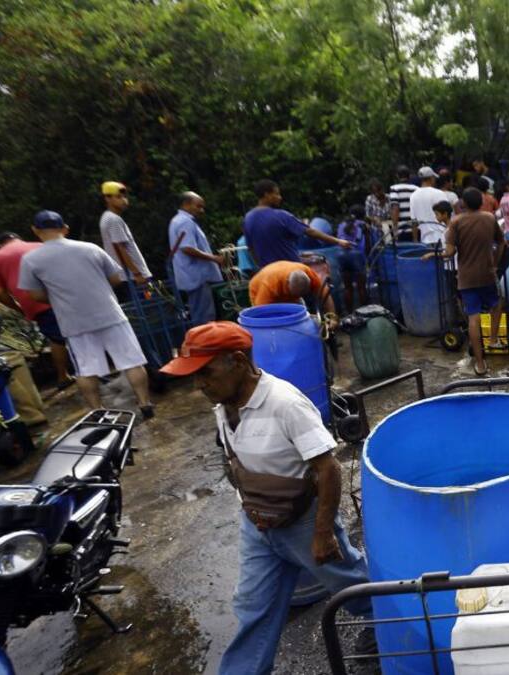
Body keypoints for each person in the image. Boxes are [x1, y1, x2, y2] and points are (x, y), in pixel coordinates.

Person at [158, 322, 371, 675]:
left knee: (349, 585)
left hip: (304, 521)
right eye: (195, 377)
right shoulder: (223, 402)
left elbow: (328, 467)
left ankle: (392, 628)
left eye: (206, 374)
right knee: (253, 608)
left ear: (238, 362)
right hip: (257, 522)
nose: (199, 385)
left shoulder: (285, 403)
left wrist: (322, 532)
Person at [18, 210, 154, 417]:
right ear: (65, 228)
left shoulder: (30, 260)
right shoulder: (90, 248)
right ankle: (145, 404)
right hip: (110, 314)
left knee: (85, 369)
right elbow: (116, 278)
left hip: (74, 322)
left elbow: (35, 295)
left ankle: (98, 412)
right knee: (132, 362)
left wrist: (59, 300)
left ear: (35, 231)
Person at [423, 188, 505, 376]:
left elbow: (450, 253)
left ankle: (480, 364)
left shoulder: (457, 223)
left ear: (463, 205)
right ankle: (493, 339)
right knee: (497, 305)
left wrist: (435, 254)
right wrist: (495, 263)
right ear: (481, 202)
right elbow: (502, 243)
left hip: (467, 278)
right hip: (487, 274)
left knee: (473, 319)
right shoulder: (490, 218)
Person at [0, 232, 73, 388]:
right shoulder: (39, 245)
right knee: (79, 332)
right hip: (61, 295)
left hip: (33, 303)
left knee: (56, 339)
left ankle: (63, 376)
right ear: (18, 239)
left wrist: (18, 308)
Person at [243, 180, 350, 267]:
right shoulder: (281, 216)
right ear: (266, 195)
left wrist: (261, 268)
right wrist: (338, 241)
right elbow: (310, 231)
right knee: (318, 291)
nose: (280, 197)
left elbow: (251, 249)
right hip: (291, 270)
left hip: (267, 273)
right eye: (276, 194)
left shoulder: (248, 219)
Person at [169, 192, 225, 325]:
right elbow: (187, 248)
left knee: (201, 313)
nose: (201, 210)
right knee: (204, 317)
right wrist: (213, 258)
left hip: (192, 275)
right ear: (186, 204)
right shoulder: (185, 222)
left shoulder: (178, 220)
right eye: (198, 206)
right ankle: (207, 344)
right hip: (196, 276)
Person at [248, 261, 337, 329]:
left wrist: (332, 317)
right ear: (287, 283)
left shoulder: (308, 273)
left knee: (299, 317)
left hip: (282, 283)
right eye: (295, 294)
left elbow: (325, 295)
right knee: (276, 322)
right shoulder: (268, 287)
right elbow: (261, 316)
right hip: (259, 289)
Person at [98, 181, 152, 286]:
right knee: (148, 301)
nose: (124, 200)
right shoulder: (113, 219)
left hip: (128, 276)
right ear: (107, 199)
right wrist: (137, 273)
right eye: (118, 197)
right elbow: (119, 247)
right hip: (133, 278)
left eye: (124, 197)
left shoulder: (107, 217)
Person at [336, 205, 369, 311]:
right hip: (357, 255)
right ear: (363, 216)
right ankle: (365, 313)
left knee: (347, 288)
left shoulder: (341, 225)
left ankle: (349, 314)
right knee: (361, 287)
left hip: (342, 255)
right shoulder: (363, 225)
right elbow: (368, 244)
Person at [409, 166, 449, 246]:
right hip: (442, 238)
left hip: (425, 241)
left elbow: (414, 222)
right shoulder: (439, 193)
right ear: (431, 178)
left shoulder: (413, 196)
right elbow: (448, 215)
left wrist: (415, 241)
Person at [388, 165, 418, 241]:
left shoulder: (394, 189)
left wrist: (395, 227)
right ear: (409, 176)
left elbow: (395, 208)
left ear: (397, 176)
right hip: (416, 228)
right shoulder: (416, 189)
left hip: (402, 228)